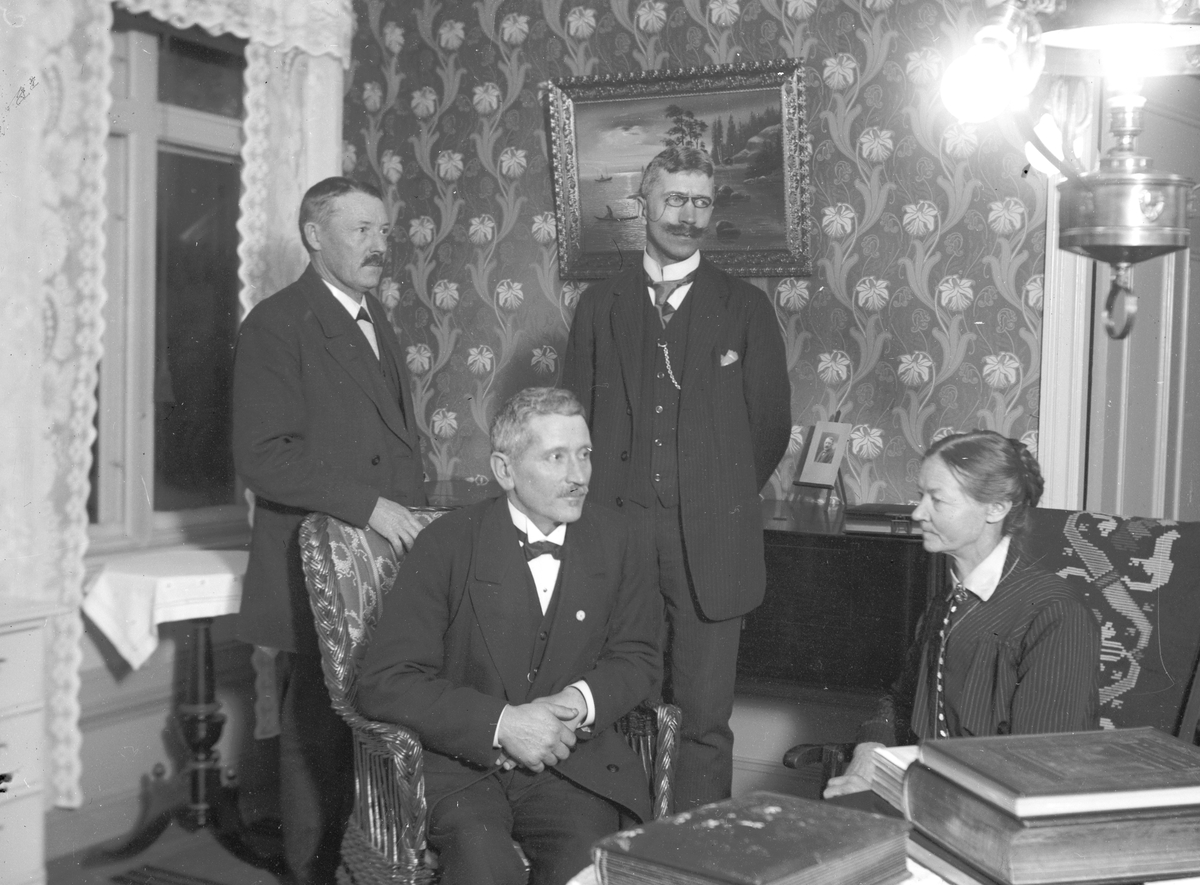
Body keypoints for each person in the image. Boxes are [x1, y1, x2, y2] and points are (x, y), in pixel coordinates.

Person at [562, 145, 791, 810]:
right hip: (617, 544)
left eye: (701, 202)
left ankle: (695, 856)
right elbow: (575, 422)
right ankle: (620, 850)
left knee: (703, 723)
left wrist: (713, 499)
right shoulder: (600, 306)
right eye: (675, 199)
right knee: (616, 709)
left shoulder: (744, 307)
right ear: (643, 203)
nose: (688, 216)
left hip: (711, 549)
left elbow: (769, 429)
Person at [357, 387, 662, 885]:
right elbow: (385, 681)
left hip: (571, 763)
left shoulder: (619, 540)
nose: (579, 475)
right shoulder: (447, 543)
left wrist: (577, 702)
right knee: (482, 860)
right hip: (463, 768)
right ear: (504, 469)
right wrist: (503, 724)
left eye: (584, 454)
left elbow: (638, 656)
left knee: (584, 863)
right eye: (556, 457)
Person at [231, 176, 428, 884]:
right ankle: (311, 873)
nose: (380, 244)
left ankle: (359, 866)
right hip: (316, 564)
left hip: (378, 562)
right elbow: (262, 456)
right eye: (362, 230)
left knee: (367, 726)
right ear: (315, 236)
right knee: (317, 728)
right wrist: (369, 506)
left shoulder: (372, 314)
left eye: (384, 230)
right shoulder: (277, 323)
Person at [824, 430, 1101, 798]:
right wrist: (869, 754)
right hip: (934, 793)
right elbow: (901, 701)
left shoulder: (1055, 614)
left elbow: (1040, 767)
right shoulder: (947, 601)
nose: (918, 513)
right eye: (921, 496)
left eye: (937, 500)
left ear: (996, 508)